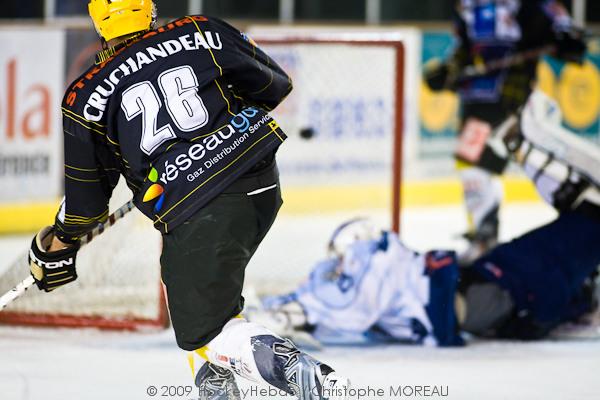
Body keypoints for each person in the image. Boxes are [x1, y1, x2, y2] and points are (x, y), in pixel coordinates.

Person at [26, 1, 349, 399]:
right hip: (259, 181)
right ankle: (218, 392)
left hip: (201, 210)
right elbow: (274, 85)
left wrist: (57, 243)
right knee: (196, 298)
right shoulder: (199, 29)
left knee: (206, 332)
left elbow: (86, 206)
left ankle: (296, 371)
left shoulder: (83, 96)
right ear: (148, 8)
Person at [253, 93, 600, 344]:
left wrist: (275, 312)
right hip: (497, 290)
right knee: (555, 252)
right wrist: (280, 315)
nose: (341, 264)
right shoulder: (364, 273)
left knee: (537, 259)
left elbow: (320, 306)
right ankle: (582, 214)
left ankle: (579, 227)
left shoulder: (358, 285)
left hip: (485, 282)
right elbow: (326, 304)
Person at [424, 0, 586, 263]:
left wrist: (566, 36)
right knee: (472, 166)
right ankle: (484, 236)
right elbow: (465, 50)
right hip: (478, 100)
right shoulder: (466, 5)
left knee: (542, 167)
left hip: (514, 97)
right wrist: (449, 72)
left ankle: (583, 233)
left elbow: (558, 22)